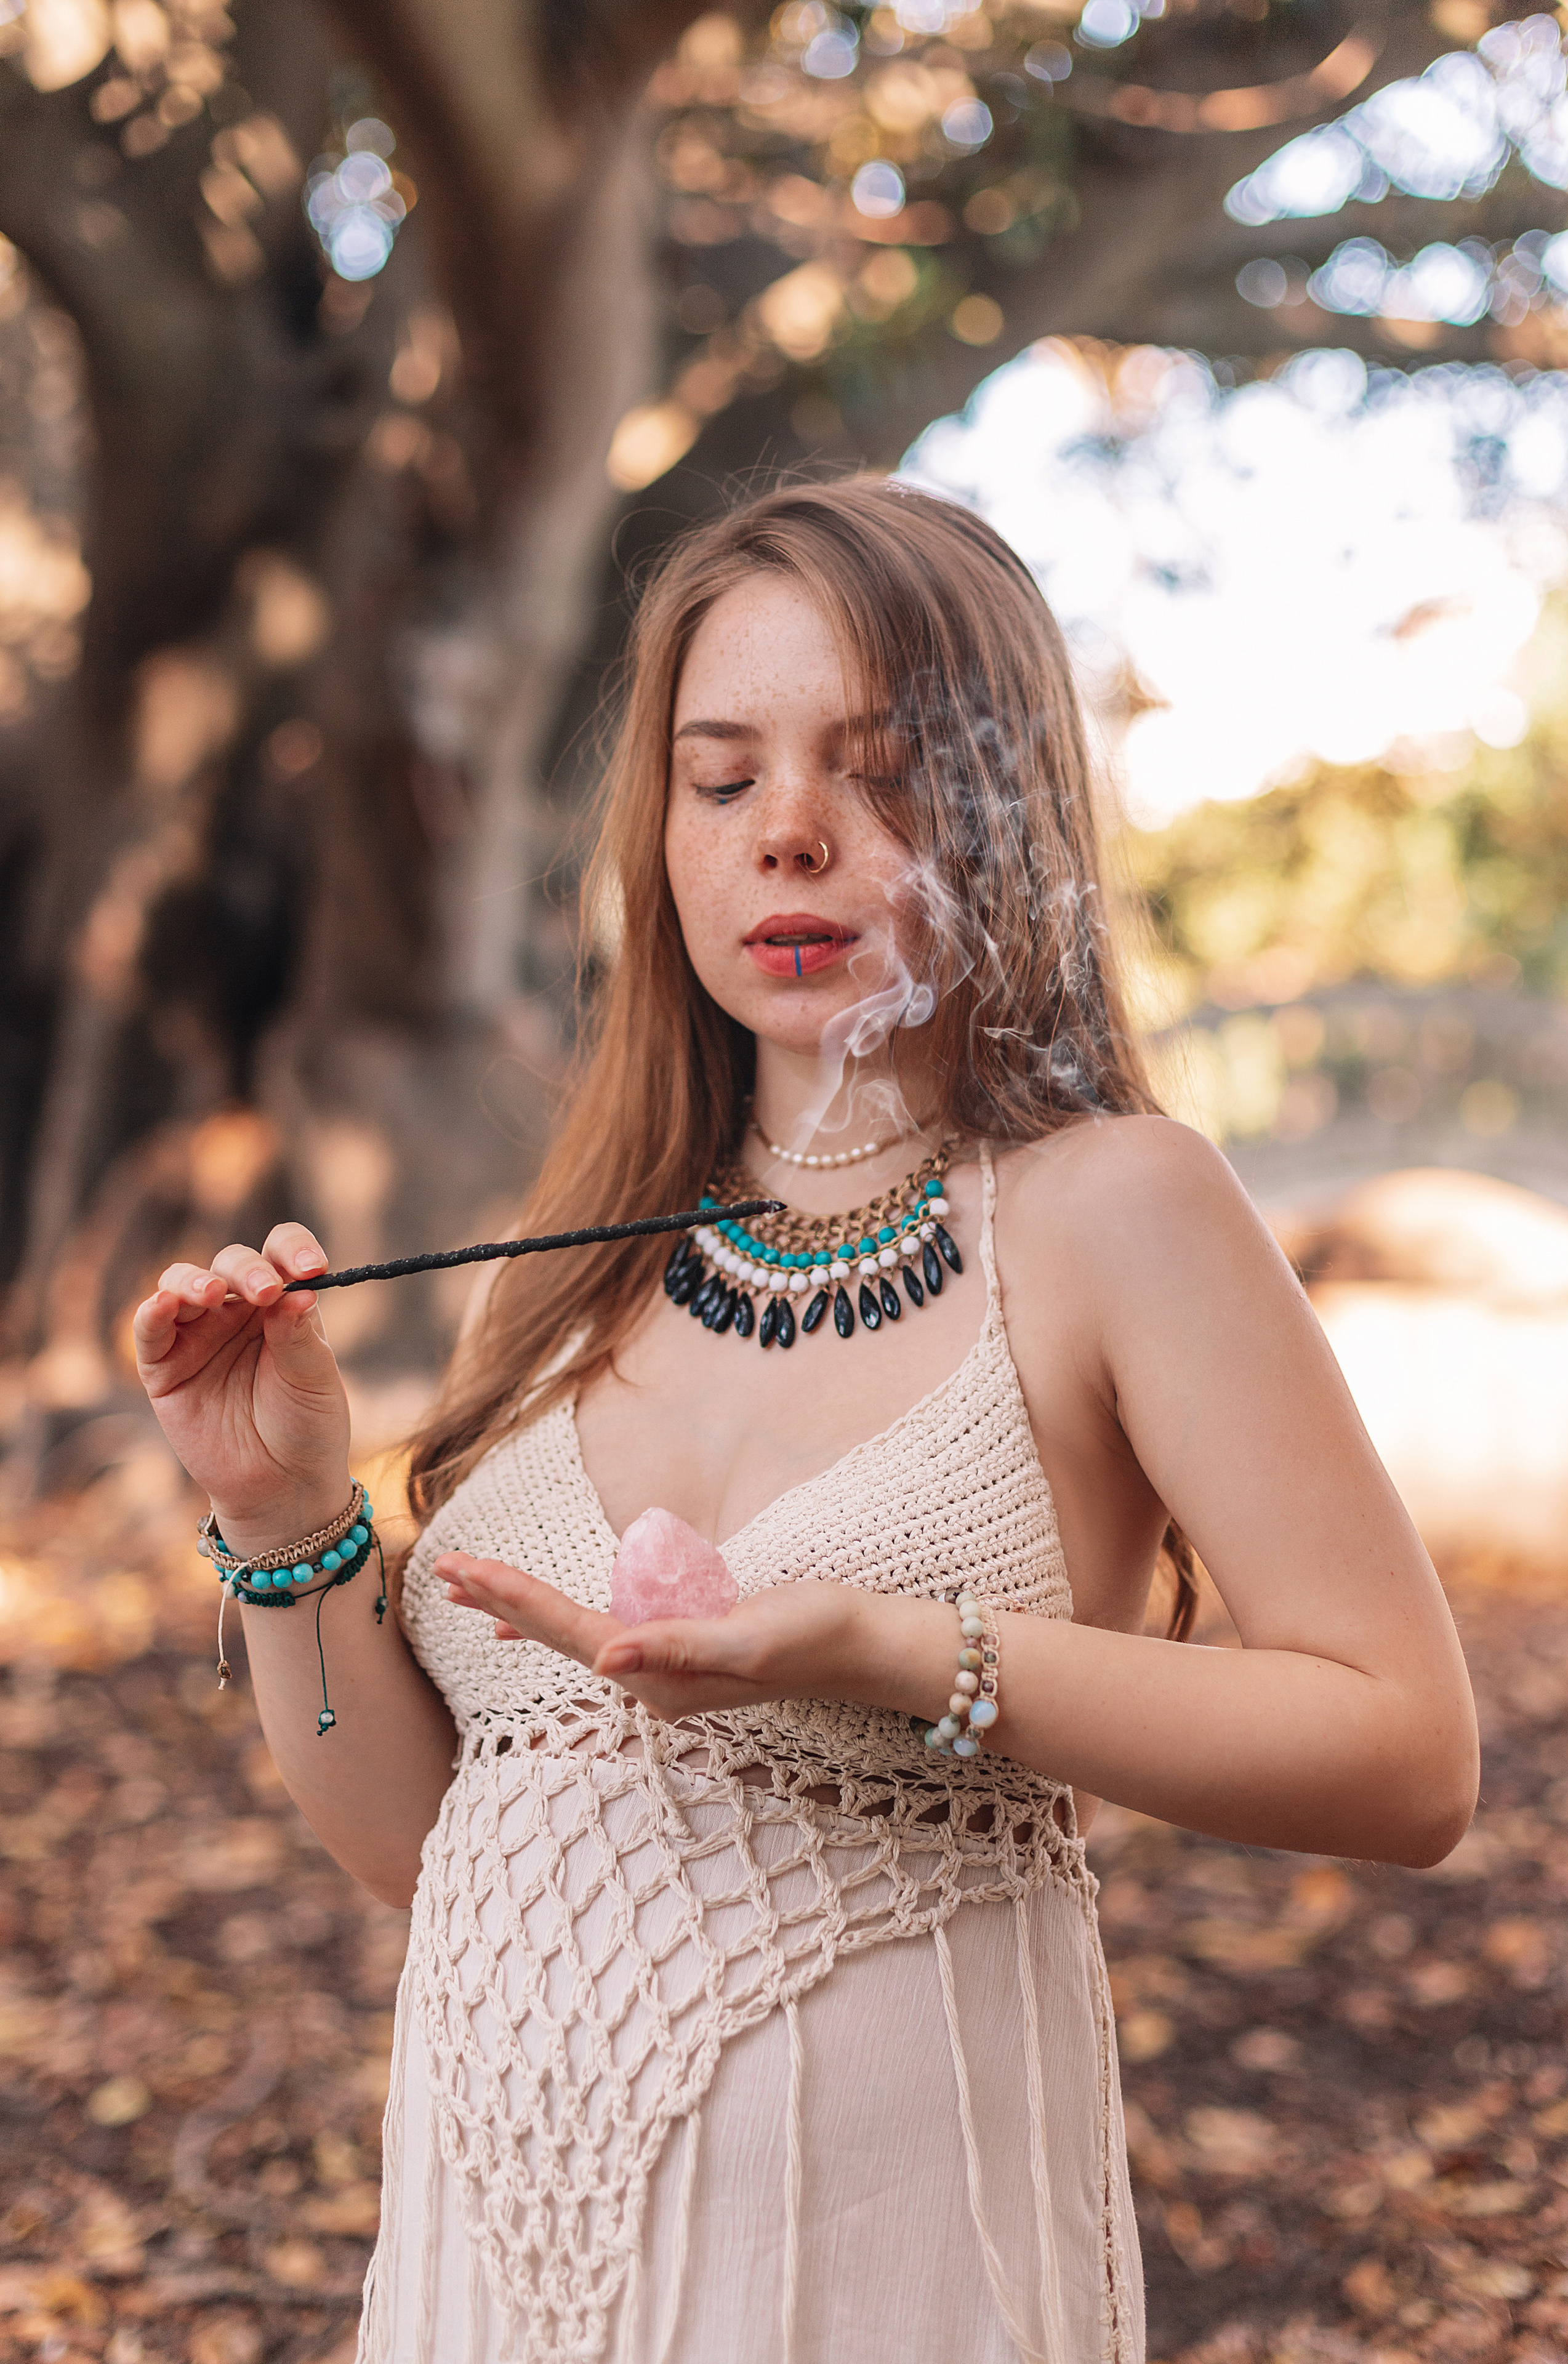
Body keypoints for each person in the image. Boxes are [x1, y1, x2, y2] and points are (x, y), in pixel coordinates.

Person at [133, 480, 1479, 2364]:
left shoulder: (1112, 1209)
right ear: (660, 833)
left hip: (880, 2282)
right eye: (722, 776)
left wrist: (887, 1651)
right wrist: (284, 1524)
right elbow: (433, 1853)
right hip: (487, 2292)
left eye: (880, 767)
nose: (790, 835)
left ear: (1007, 805)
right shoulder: (587, 1252)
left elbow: (1408, 1753)